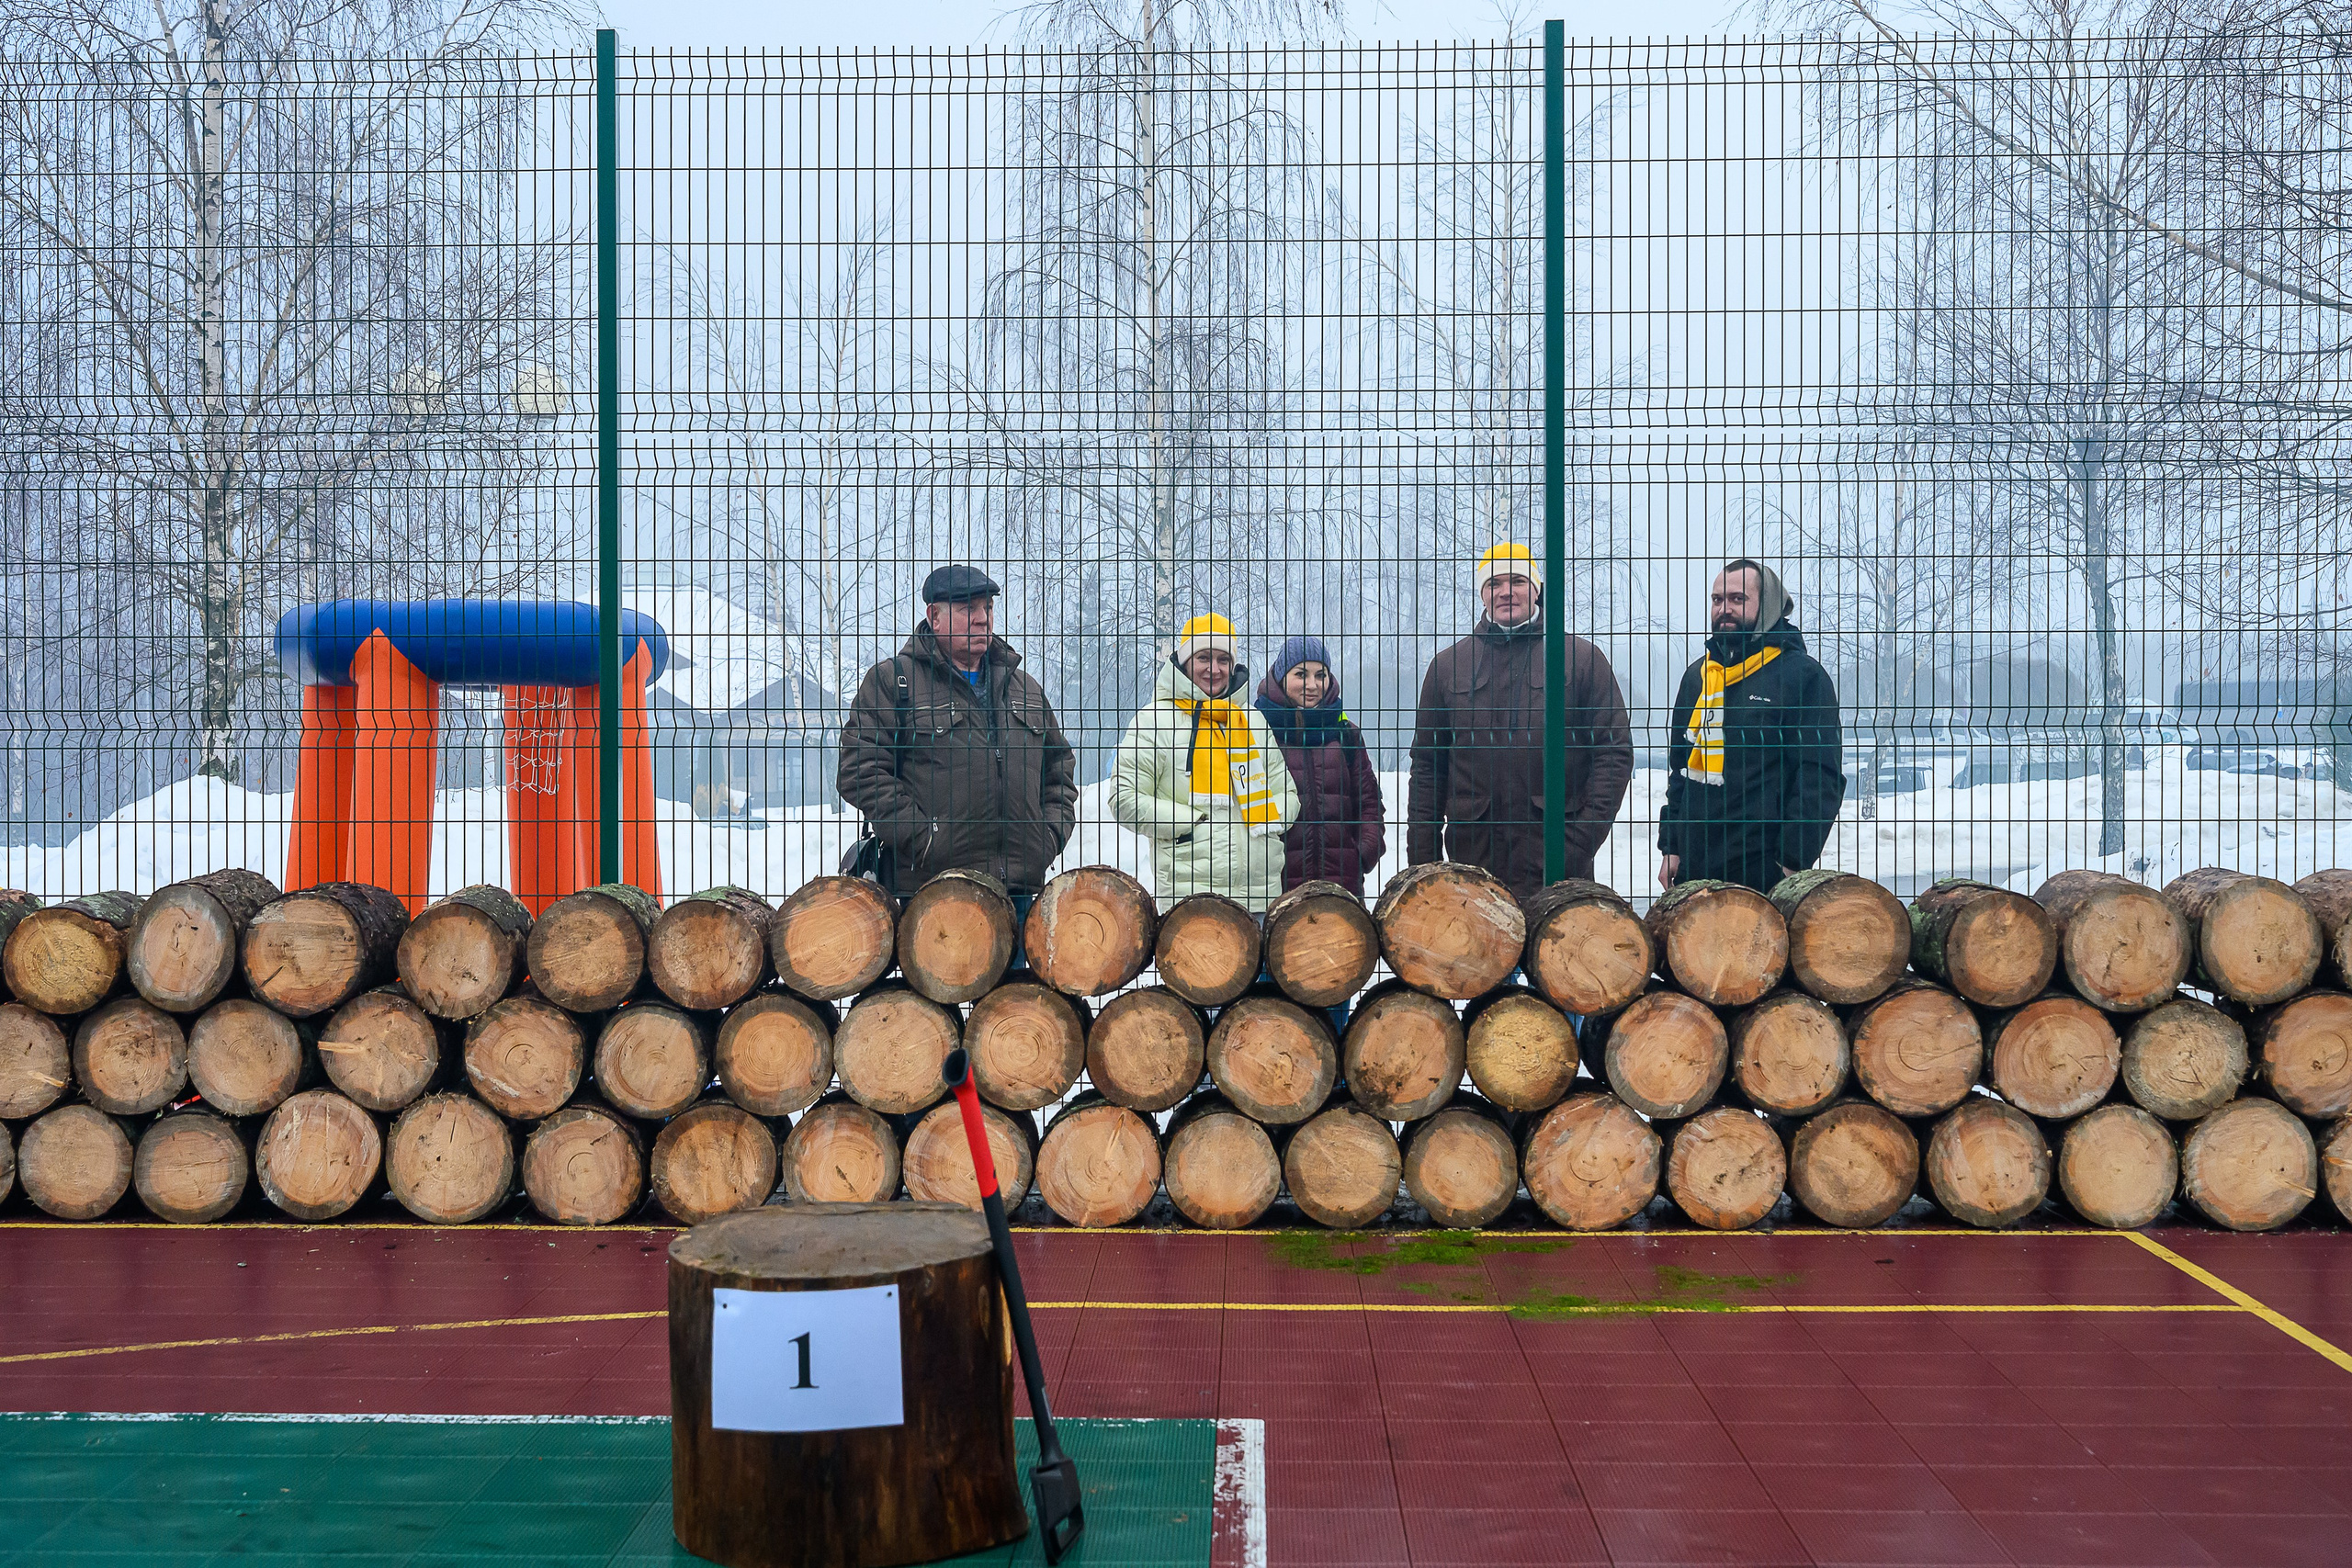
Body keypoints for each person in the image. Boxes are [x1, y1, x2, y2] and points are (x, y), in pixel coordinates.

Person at [837, 564, 1078, 902]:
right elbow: (859, 772)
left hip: (1022, 895)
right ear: (934, 616)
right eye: (968, 609)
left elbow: (1059, 771)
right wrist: (926, 841)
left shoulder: (1025, 689)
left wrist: (1045, 840)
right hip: (932, 894)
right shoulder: (895, 683)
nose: (983, 619)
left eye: (988, 608)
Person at [1408, 542, 1634, 901]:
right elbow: (1427, 768)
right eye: (1494, 584)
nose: (1505, 592)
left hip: (1557, 868)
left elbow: (1614, 755)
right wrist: (1424, 864)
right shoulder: (1448, 666)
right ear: (1482, 594)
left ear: (1536, 589)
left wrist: (1576, 846)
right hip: (1472, 868)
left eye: (1517, 581)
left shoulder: (1581, 659)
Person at [1657, 558, 1847, 894]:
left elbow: (1819, 776)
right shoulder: (1699, 677)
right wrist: (1671, 847)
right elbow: (1680, 769)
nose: (1724, 609)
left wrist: (1791, 860)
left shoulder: (1803, 677)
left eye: (1737, 599)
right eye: (1717, 600)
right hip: (1696, 870)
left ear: (1767, 606)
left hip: (1765, 872)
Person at [1110, 613, 1299, 913]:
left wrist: (1265, 819)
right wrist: (1189, 822)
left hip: (1260, 897)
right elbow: (1123, 799)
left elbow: (1288, 796)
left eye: (1224, 660)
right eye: (1204, 658)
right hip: (1189, 900)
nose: (1214, 669)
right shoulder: (1153, 721)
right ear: (1185, 662)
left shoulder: (1252, 721)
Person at [1252, 636, 1385, 899]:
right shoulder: (1257, 732)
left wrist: (1362, 854)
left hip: (1342, 885)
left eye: (1320, 675)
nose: (1312, 685)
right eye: (1301, 674)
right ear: (1281, 677)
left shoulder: (1346, 734)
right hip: (1275, 886)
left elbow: (1369, 803)